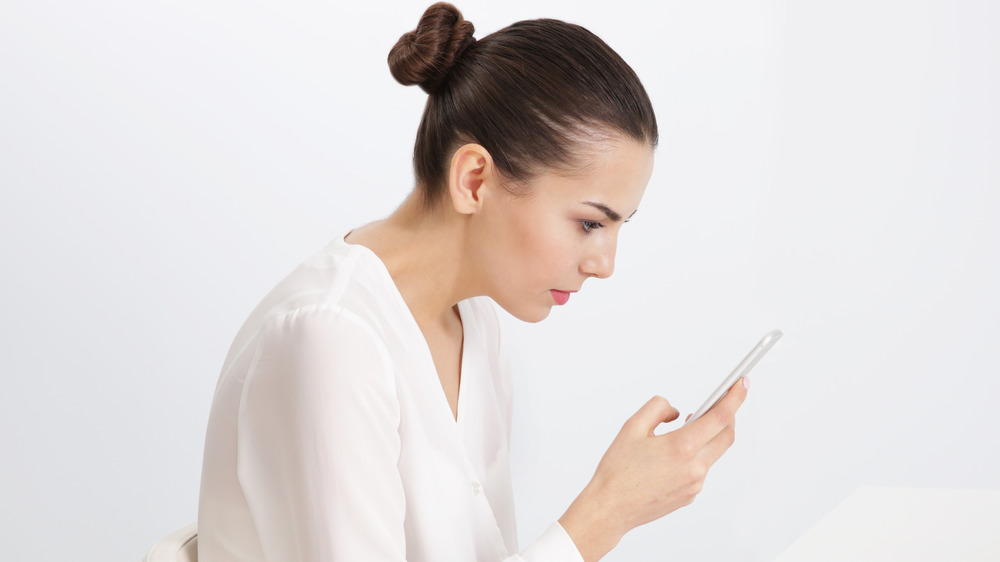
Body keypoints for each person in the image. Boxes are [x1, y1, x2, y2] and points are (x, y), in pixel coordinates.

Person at [197, 3, 747, 561]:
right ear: (474, 179)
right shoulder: (332, 338)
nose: (605, 264)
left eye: (616, 227)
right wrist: (607, 512)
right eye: (589, 223)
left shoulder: (475, 318)